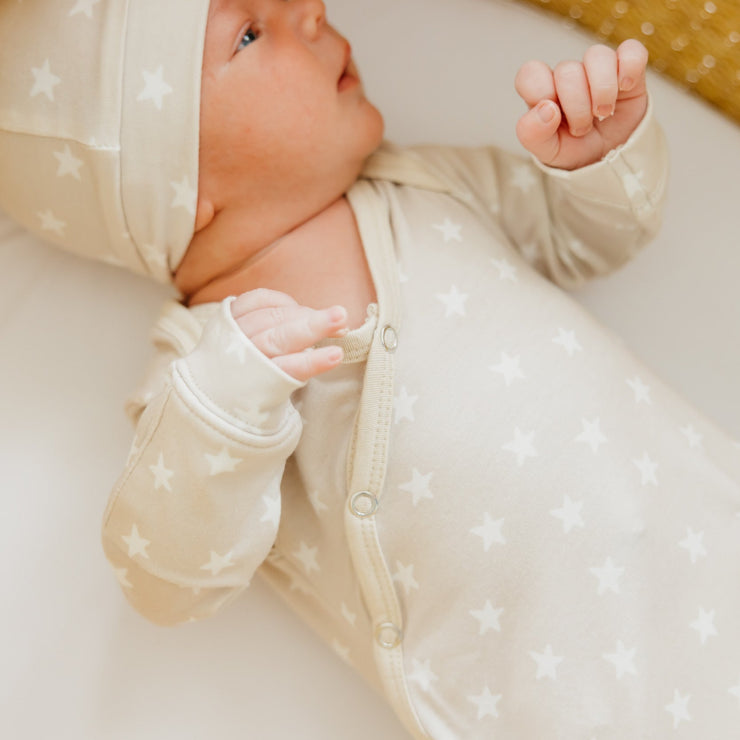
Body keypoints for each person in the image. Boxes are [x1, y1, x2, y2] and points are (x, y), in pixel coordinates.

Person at [1, 1, 739, 737]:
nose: (310, 12)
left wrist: (595, 156)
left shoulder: (427, 184)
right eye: (248, 35)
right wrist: (222, 409)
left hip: (702, 527)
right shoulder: (204, 367)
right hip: (551, 690)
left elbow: (578, 242)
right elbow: (168, 581)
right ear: (175, 187)